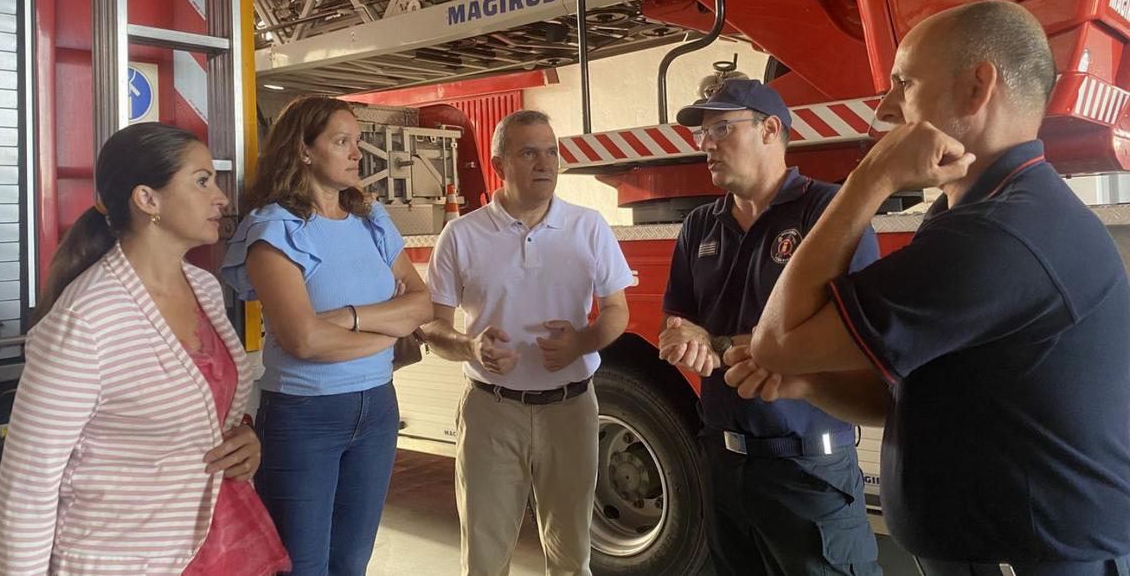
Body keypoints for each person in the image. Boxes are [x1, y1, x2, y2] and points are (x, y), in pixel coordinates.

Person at [724, 0, 1130, 575]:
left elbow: (775, 340)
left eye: (904, 83)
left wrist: (872, 176)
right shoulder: (984, 210)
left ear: (976, 88)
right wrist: (809, 380)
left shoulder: (998, 233)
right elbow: (907, 401)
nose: (888, 107)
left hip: (1034, 558)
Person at [0, 122, 289, 575]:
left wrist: (244, 438)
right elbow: (28, 486)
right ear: (147, 199)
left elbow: (206, 408)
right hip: (121, 557)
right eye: (202, 180)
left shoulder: (204, 289)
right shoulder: (87, 320)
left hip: (216, 545)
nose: (222, 198)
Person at [658, 79, 882, 575]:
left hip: (808, 472)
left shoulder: (826, 214)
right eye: (701, 133)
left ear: (770, 129)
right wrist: (678, 339)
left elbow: (850, 338)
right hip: (722, 465)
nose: (706, 143)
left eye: (721, 127)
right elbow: (679, 320)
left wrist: (715, 344)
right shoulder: (699, 226)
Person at [221, 95, 432, 576]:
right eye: (342, 142)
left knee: (351, 563)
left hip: (377, 409)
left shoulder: (372, 219)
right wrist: (387, 333)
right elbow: (304, 341)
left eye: (357, 142)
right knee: (302, 566)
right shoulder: (275, 228)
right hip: (305, 417)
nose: (358, 154)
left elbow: (422, 303)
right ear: (304, 151)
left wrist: (351, 317)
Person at [421, 109, 632, 576]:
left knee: (572, 556)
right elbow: (433, 328)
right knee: (485, 555)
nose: (545, 162)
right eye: (529, 152)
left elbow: (618, 311)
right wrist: (471, 346)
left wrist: (582, 342)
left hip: (571, 409)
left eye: (552, 151)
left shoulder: (588, 226)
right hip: (492, 412)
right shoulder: (461, 234)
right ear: (499, 164)